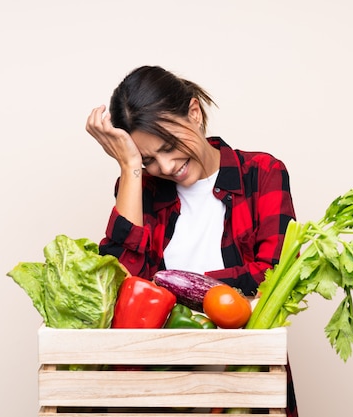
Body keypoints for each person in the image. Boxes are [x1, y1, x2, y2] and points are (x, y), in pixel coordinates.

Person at [86, 65, 298, 416]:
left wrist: (178, 288)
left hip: (246, 385)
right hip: (162, 391)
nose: (166, 167)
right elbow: (119, 285)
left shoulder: (261, 174)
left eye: (169, 146)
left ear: (195, 113)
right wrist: (130, 169)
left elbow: (272, 276)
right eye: (149, 159)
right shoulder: (142, 191)